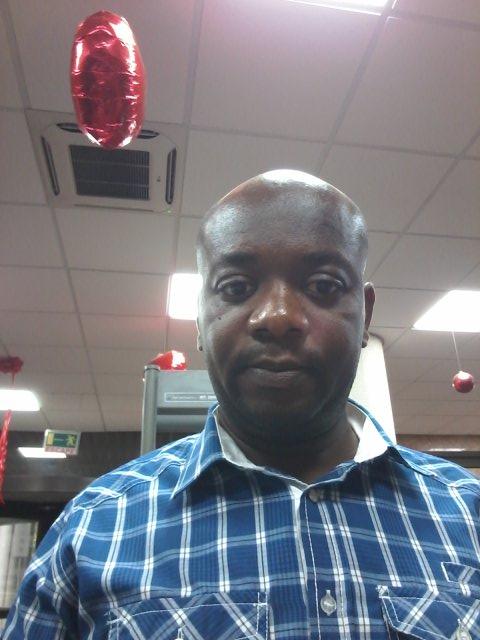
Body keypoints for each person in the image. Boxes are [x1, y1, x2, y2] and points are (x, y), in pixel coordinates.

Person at [3, 170, 479, 640]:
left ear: (366, 314)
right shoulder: (90, 531)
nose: (278, 317)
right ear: (199, 318)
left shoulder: (469, 513)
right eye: (235, 287)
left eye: (323, 285)